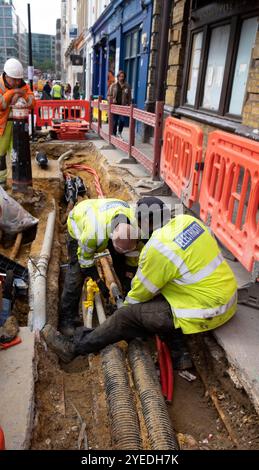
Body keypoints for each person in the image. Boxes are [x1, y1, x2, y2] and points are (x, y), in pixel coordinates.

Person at [42, 214, 238, 364]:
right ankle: (181, 355)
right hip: (228, 298)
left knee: (127, 316)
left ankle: (74, 347)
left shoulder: (159, 249)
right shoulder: (188, 221)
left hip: (206, 310)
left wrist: (121, 309)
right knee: (156, 302)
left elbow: (138, 296)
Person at [58, 198, 139, 336]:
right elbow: (85, 264)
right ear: (111, 239)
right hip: (79, 219)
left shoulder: (134, 226)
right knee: (76, 274)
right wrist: (99, 282)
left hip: (105, 214)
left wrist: (128, 280)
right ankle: (67, 319)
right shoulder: (91, 235)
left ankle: (126, 299)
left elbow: (132, 259)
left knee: (121, 263)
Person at [0, 58, 35, 188]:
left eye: (18, 80)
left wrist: (23, 95)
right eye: (13, 80)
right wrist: (13, 92)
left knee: (17, 153)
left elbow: (32, 103)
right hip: (2, 126)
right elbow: (2, 104)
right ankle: (1, 183)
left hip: (18, 126)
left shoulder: (23, 85)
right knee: (0, 154)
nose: (16, 83)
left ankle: (18, 183)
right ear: (6, 76)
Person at [107, 70, 132, 138]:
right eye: (120, 76)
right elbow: (108, 95)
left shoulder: (127, 86)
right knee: (114, 122)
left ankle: (119, 132)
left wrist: (129, 105)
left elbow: (129, 97)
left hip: (123, 106)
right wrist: (112, 100)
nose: (121, 78)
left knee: (122, 120)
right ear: (118, 77)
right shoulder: (113, 85)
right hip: (115, 106)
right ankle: (114, 134)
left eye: (123, 76)